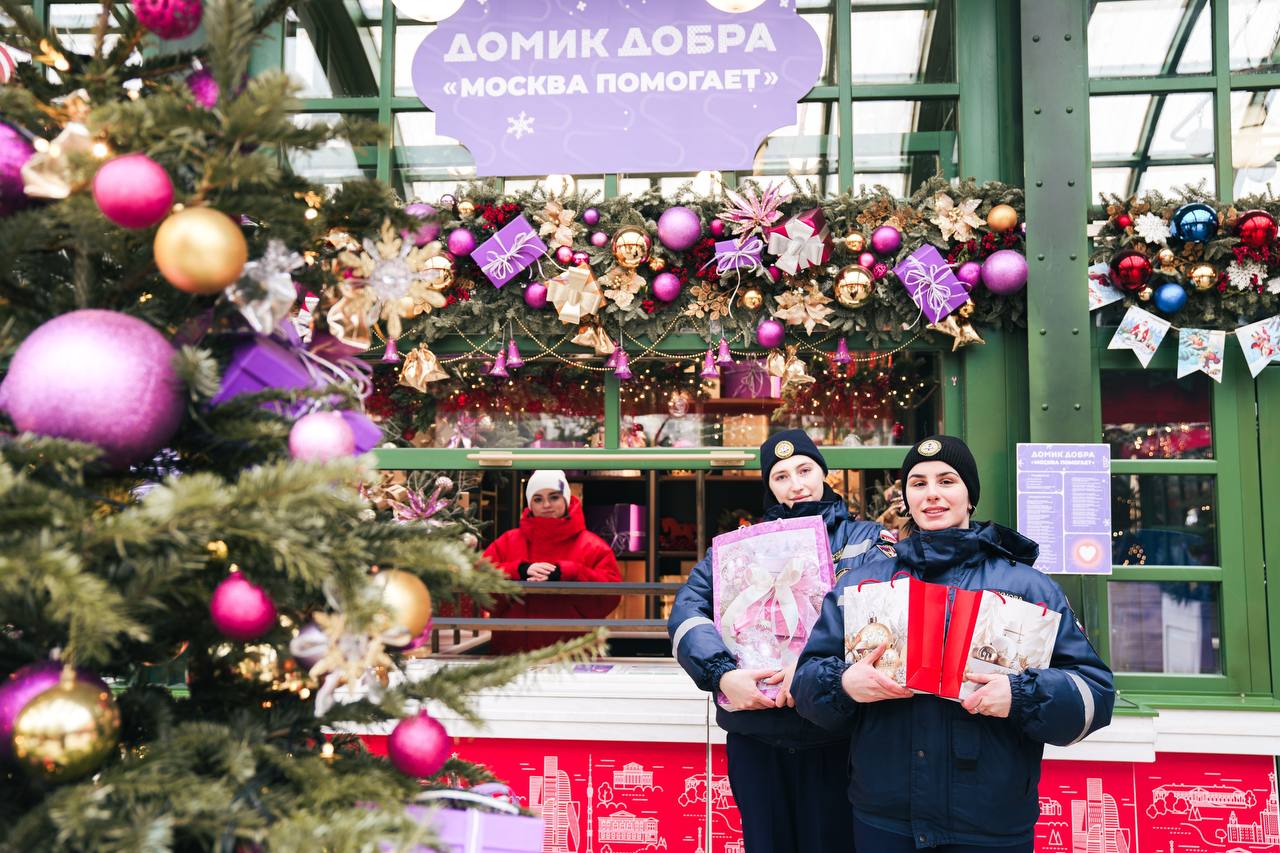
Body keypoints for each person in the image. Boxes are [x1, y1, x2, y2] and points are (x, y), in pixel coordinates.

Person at [793, 435, 1115, 852]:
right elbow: (804, 683)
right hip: (885, 819)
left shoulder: (1029, 587)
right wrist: (844, 684)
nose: (932, 494)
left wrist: (1021, 696)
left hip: (989, 823)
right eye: (918, 483)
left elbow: (1096, 695)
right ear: (905, 498)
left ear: (970, 496)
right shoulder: (863, 584)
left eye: (947, 481)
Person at [668, 429, 888, 853]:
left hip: (834, 734)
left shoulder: (865, 541)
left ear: (825, 473)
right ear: (769, 485)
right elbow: (687, 611)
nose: (796, 483)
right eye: (781, 476)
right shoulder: (739, 550)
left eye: (804, 470)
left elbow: (880, 623)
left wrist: (813, 674)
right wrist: (721, 674)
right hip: (756, 731)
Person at [483, 470, 620, 654]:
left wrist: (571, 572)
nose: (546, 505)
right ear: (529, 504)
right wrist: (519, 571)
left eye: (554, 497)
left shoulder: (593, 547)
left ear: (566, 499)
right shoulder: (506, 543)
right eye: (538, 499)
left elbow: (610, 597)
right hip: (512, 659)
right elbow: (478, 584)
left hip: (574, 659)